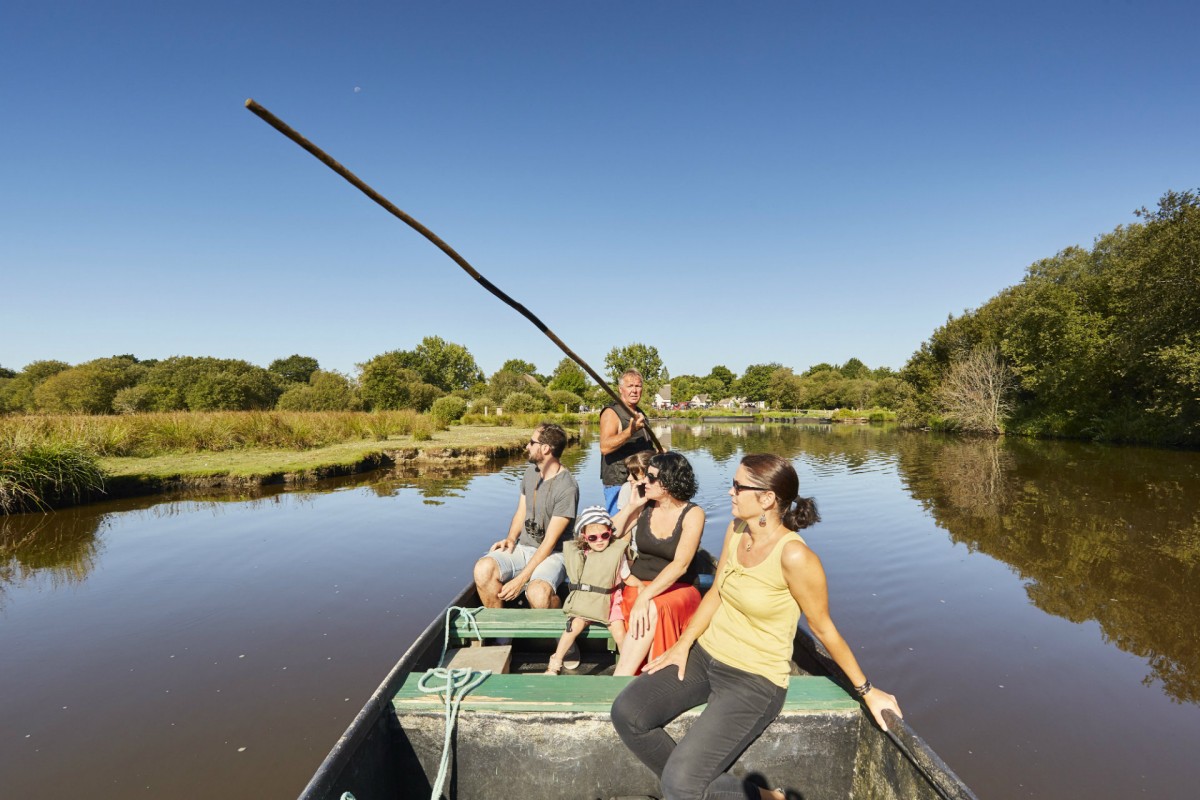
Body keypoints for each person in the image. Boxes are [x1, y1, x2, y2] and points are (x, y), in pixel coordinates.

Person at [610, 454, 903, 800]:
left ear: (766, 499)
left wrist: (867, 690)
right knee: (627, 713)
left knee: (680, 783)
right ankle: (760, 796)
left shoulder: (794, 556)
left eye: (737, 486)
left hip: (753, 679)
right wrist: (683, 644)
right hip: (706, 657)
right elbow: (717, 592)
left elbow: (823, 629)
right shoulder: (737, 531)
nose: (730, 491)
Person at [611, 451, 704, 677]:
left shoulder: (693, 513)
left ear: (669, 482)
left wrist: (646, 595)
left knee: (654, 607)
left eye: (651, 477)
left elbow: (681, 565)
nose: (644, 481)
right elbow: (608, 534)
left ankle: (623, 676)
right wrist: (632, 506)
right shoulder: (645, 507)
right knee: (644, 604)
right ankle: (639, 677)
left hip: (678, 588)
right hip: (639, 585)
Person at [473, 422, 578, 609]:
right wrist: (511, 538)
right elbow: (521, 512)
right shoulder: (531, 472)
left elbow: (549, 543)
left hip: (555, 554)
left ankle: (559, 627)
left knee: (537, 593)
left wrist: (521, 580)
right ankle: (500, 635)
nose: (527, 446)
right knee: (483, 569)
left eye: (532, 442)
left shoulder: (567, 487)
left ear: (545, 448)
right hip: (525, 547)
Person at [544, 505, 641, 674]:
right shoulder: (583, 554)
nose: (599, 540)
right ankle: (555, 662)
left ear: (610, 533)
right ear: (584, 537)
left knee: (619, 633)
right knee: (573, 628)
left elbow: (626, 577)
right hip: (587, 601)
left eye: (604, 535)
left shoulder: (617, 554)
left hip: (611, 603)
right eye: (593, 537)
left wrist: (642, 587)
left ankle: (626, 668)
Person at [599, 369, 655, 515]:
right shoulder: (611, 413)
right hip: (618, 482)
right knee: (618, 525)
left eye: (638, 386)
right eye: (630, 386)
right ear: (620, 389)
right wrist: (630, 430)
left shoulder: (640, 414)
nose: (635, 390)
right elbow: (605, 447)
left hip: (641, 480)